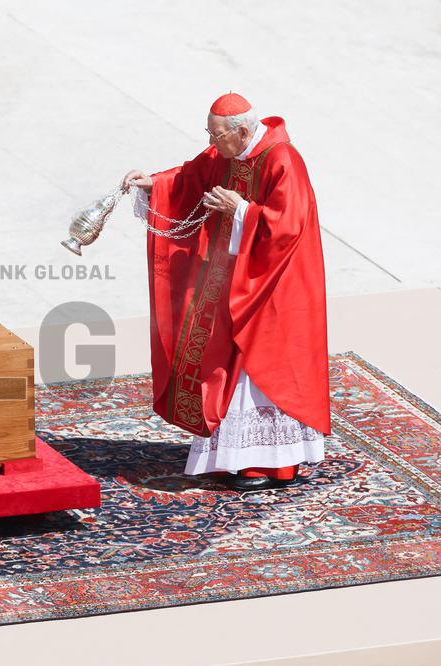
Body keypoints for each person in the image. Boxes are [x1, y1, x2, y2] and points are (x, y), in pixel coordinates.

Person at [121, 92, 330, 491]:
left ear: (242, 131)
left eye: (217, 135)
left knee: (261, 367)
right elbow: (190, 177)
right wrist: (154, 184)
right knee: (223, 362)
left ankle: (271, 465)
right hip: (231, 279)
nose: (212, 143)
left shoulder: (283, 161)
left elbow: (288, 228)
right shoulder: (227, 153)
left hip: (273, 285)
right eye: (209, 133)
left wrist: (243, 212)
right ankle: (234, 456)